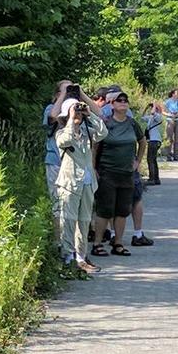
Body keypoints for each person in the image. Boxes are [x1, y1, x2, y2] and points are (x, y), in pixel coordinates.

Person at [56, 98, 108, 273]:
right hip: (69, 182)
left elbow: (103, 132)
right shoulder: (61, 133)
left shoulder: (88, 132)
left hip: (87, 182)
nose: (77, 114)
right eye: (74, 111)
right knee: (69, 219)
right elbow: (65, 141)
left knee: (84, 221)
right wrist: (71, 119)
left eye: (78, 111)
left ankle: (80, 257)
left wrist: (89, 114)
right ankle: (67, 257)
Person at [91, 92, 146, 257]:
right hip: (107, 173)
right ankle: (97, 244)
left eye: (125, 100)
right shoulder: (106, 123)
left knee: (123, 210)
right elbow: (95, 146)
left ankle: (118, 243)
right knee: (104, 210)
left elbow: (142, 141)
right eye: (119, 100)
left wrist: (138, 161)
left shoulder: (132, 123)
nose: (123, 102)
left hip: (127, 174)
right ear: (112, 105)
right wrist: (93, 167)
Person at [42, 84, 65, 241]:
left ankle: (74, 248)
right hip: (55, 161)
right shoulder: (51, 107)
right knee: (57, 203)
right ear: (57, 93)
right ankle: (59, 243)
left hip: (74, 163)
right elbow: (52, 117)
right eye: (66, 89)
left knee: (74, 206)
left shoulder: (79, 108)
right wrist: (62, 98)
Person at [130, 170, 154, 246]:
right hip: (129, 166)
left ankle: (113, 235)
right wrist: (138, 161)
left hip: (107, 168)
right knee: (137, 199)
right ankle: (138, 234)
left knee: (113, 199)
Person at [142, 101, 163, 185]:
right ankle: (156, 178)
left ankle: (152, 179)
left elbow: (153, 112)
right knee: (153, 160)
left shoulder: (158, 117)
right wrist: (146, 107)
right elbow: (142, 117)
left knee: (150, 159)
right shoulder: (151, 118)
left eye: (153, 108)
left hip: (154, 140)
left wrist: (154, 105)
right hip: (152, 140)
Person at [163, 88, 178, 161]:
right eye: (176, 93)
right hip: (170, 120)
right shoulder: (167, 102)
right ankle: (168, 156)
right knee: (169, 138)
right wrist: (169, 114)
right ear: (173, 94)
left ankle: (176, 155)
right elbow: (163, 111)